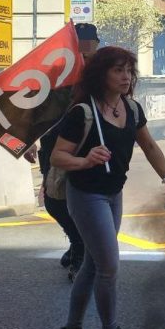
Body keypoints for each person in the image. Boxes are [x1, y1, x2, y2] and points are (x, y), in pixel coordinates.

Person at [51, 47, 165, 329]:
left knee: (92, 268)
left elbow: (149, 146)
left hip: (113, 193)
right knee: (108, 266)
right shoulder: (82, 112)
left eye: (129, 71)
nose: (126, 77)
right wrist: (86, 159)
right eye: (118, 71)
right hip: (86, 195)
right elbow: (58, 157)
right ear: (101, 74)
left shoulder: (133, 109)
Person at [27, 22, 101, 280]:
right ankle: (77, 241)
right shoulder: (57, 70)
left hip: (84, 145)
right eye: (78, 43)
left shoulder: (99, 73)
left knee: (77, 200)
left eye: (88, 44)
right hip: (52, 143)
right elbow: (38, 104)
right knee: (53, 201)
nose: (82, 50)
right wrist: (29, 139)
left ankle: (83, 249)